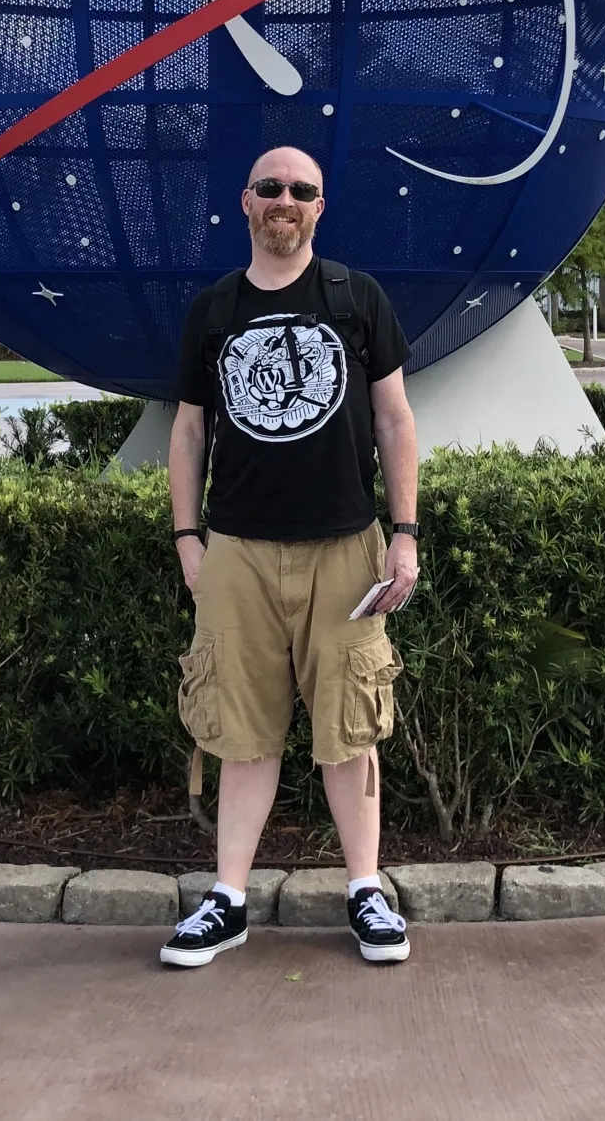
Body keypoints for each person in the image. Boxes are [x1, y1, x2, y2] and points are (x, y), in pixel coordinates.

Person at [161, 146, 420, 969]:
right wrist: (187, 537)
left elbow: (395, 420)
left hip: (346, 548)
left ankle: (366, 889)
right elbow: (190, 429)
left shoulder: (357, 299)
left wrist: (406, 532)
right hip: (238, 548)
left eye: (301, 189)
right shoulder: (214, 310)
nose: (285, 199)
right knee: (242, 729)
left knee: (350, 729)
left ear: (320, 205)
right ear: (246, 201)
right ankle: (227, 899)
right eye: (269, 186)